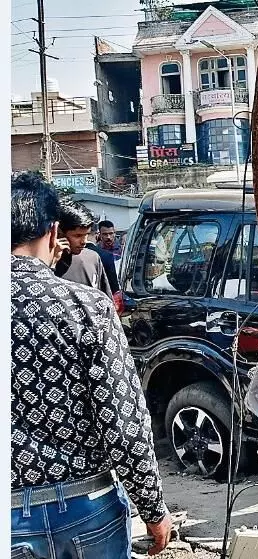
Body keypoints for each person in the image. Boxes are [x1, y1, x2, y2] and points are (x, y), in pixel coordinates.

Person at [11, 171, 172, 558]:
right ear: (53, 232)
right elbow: (122, 422)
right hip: (87, 508)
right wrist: (152, 508)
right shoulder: (85, 307)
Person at [55, 200, 112, 297]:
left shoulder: (92, 258)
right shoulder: (42, 262)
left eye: (86, 235)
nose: (84, 241)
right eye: (77, 236)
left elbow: (105, 300)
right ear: (59, 232)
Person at [86, 223, 120, 295]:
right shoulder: (104, 254)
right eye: (105, 234)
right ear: (99, 235)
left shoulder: (123, 250)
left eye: (111, 233)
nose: (108, 237)